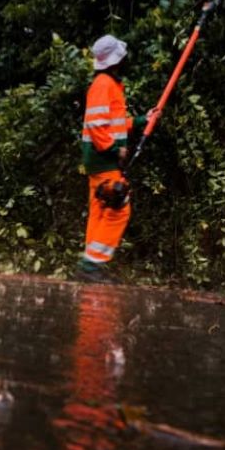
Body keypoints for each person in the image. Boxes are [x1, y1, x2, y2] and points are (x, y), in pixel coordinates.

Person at [74, 35, 156, 283]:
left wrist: (142, 120)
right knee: (119, 207)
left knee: (101, 211)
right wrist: (114, 150)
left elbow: (115, 124)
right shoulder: (103, 85)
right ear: (116, 60)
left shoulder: (108, 84)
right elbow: (96, 126)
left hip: (99, 161)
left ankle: (90, 265)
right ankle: (92, 265)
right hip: (103, 160)